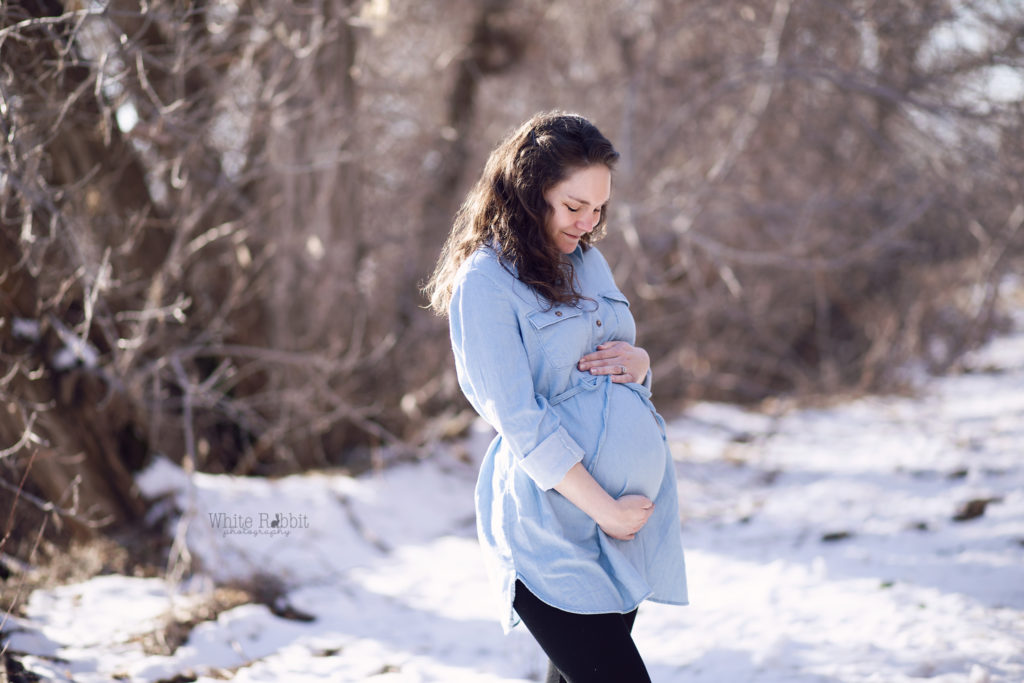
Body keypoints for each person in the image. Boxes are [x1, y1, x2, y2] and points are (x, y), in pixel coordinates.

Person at [425, 111, 688, 682]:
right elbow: (520, 420)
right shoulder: (485, 283)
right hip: (553, 531)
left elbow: (610, 365)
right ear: (530, 190)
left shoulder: (589, 262)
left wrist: (641, 367)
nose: (588, 222)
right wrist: (608, 510)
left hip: (618, 531)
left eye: (599, 209)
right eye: (575, 207)